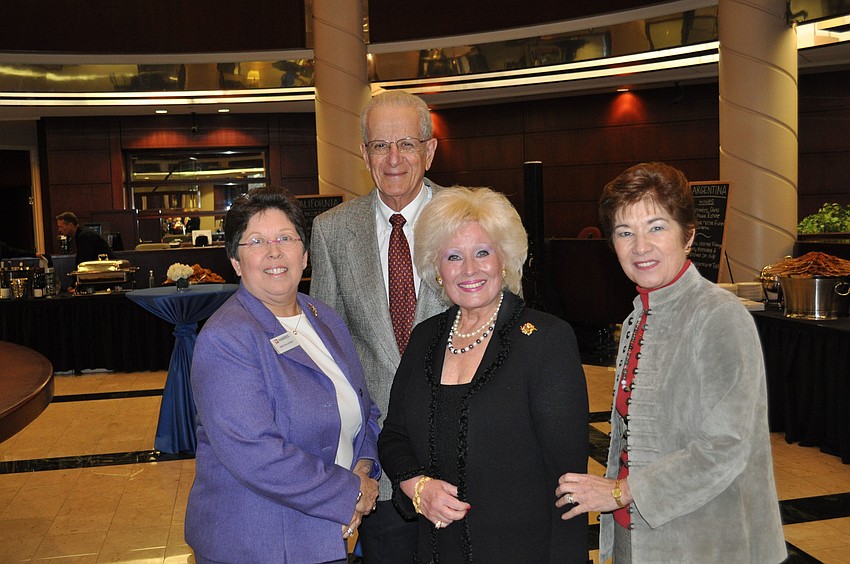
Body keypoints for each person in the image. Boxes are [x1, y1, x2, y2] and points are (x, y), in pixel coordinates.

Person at [555, 162, 786, 563]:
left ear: (689, 235)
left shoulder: (718, 315)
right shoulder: (636, 317)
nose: (640, 246)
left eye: (656, 227)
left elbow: (725, 447)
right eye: (625, 233)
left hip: (704, 540)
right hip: (638, 532)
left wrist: (617, 492)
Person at [378, 186, 589, 563]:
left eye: (482, 253)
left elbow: (568, 483)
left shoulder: (546, 340)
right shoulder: (425, 337)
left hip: (523, 551)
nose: (469, 269)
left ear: (504, 259)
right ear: (437, 269)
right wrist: (416, 485)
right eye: (453, 257)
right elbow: (394, 435)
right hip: (437, 550)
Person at [185, 187, 381, 564]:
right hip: (258, 544)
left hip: (328, 535)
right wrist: (348, 493)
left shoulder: (324, 318)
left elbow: (365, 409)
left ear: (305, 256)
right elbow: (257, 454)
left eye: (285, 238)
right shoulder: (226, 338)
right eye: (256, 241)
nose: (273, 251)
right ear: (236, 261)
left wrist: (363, 469)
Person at [310, 91, 447, 562]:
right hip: (382, 467)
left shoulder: (469, 218)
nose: (393, 160)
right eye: (379, 146)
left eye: (406, 144)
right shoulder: (332, 231)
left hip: (462, 452)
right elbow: (327, 353)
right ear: (364, 153)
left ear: (429, 151)